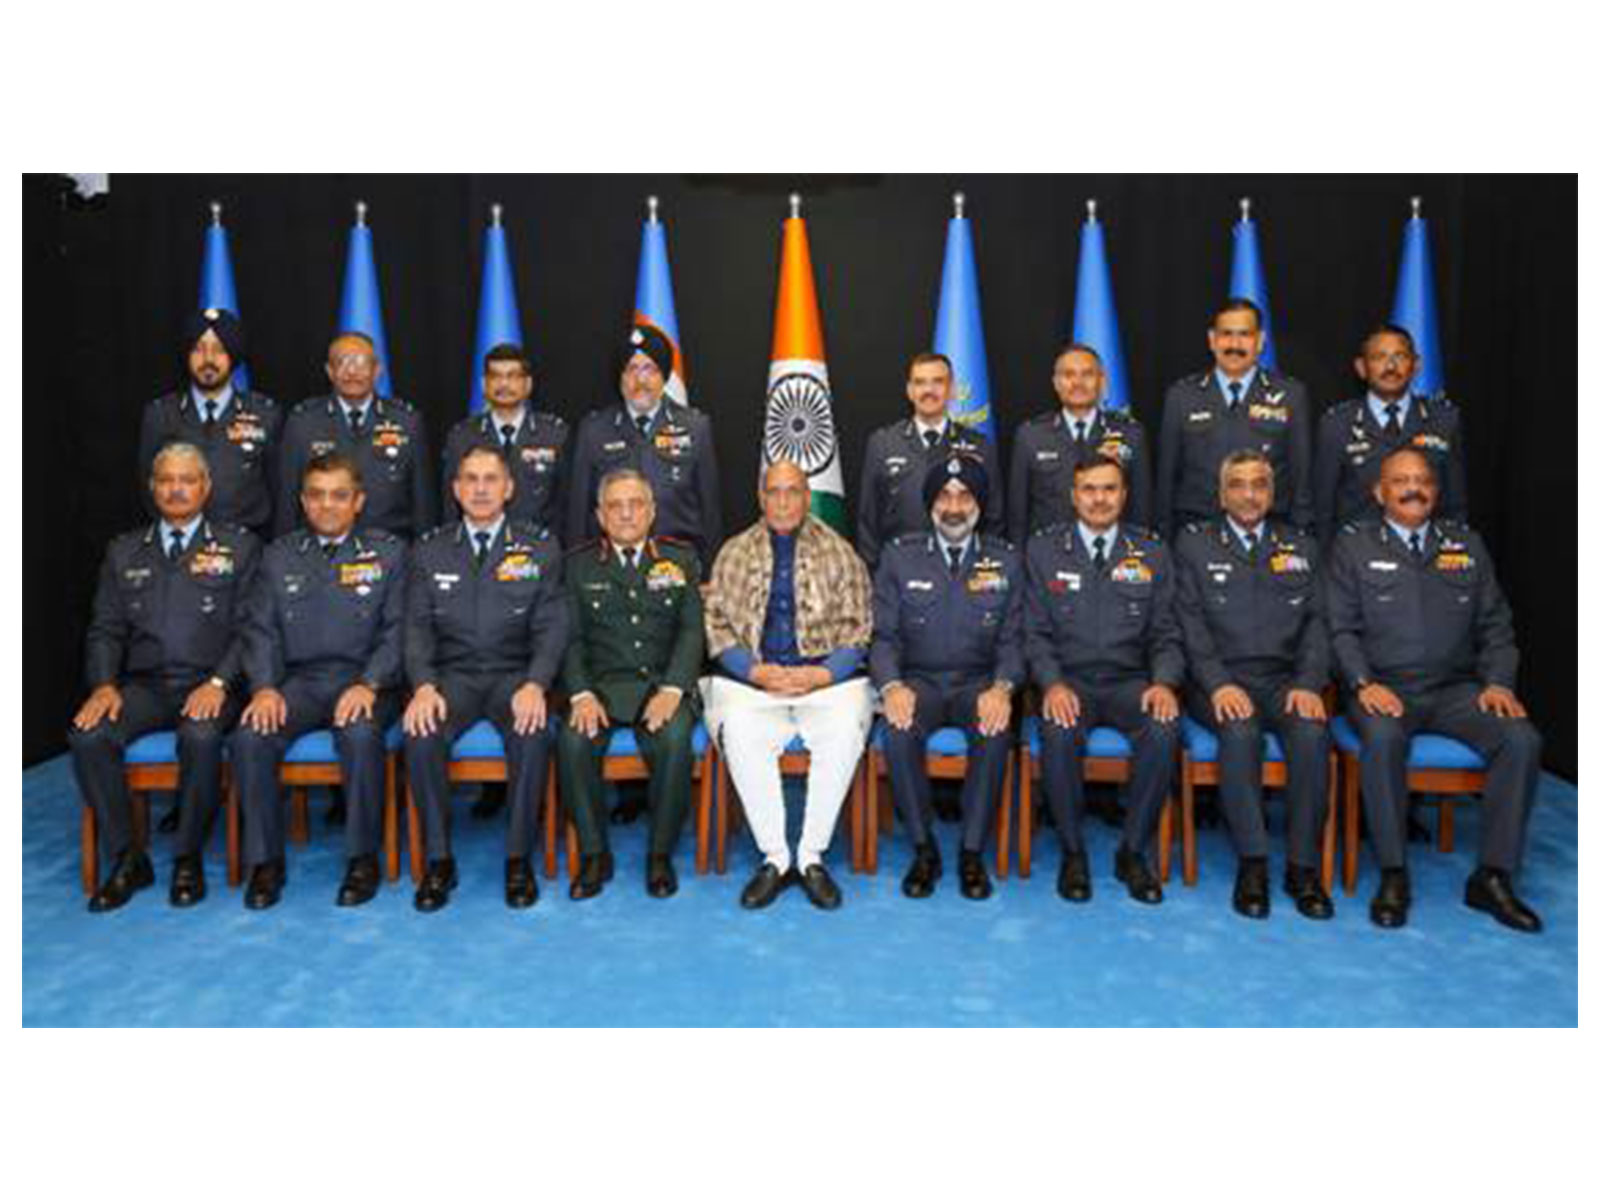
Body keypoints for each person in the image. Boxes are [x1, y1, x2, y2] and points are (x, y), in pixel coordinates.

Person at [1325, 447, 1543, 932]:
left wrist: (1498, 684)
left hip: (1457, 692)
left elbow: (1496, 627)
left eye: (1422, 479)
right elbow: (1340, 630)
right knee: (1382, 740)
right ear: (1380, 492)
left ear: (1436, 491)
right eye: (1400, 480)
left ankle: (1493, 876)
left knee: (1521, 740)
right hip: (1385, 689)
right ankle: (1393, 873)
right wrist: (1362, 682)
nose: (1413, 488)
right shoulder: (1353, 546)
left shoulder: (1466, 545)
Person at [68, 443, 259, 912]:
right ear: (152, 488)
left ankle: (187, 856)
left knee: (199, 737)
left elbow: (251, 629)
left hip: (214, 686)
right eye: (167, 480)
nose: (177, 489)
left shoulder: (239, 547)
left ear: (206, 487)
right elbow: (106, 629)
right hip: (146, 688)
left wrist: (218, 683)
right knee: (87, 735)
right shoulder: (124, 550)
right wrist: (104, 685)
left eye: (187, 480)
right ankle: (127, 857)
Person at [229, 453, 407, 910]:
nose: (327, 505)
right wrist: (265, 687)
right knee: (251, 736)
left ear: (358, 501)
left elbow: (399, 630)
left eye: (339, 495)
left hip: (367, 683)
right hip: (298, 684)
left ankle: (362, 857)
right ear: (303, 501)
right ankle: (266, 861)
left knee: (361, 734)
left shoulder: (388, 554)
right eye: (317, 495)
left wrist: (369, 682)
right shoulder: (278, 555)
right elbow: (259, 629)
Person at [402, 445, 567, 912]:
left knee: (533, 732)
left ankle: (518, 859)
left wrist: (537, 682)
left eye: (490, 479)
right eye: (470, 479)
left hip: (514, 676)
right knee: (420, 732)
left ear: (509, 488)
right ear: (455, 490)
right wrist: (423, 686)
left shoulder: (539, 547)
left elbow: (552, 626)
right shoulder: (429, 550)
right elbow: (416, 628)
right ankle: (438, 860)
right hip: (451, 678)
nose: (479, 488)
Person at [703, 461, 874, 910]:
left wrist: (822, 674)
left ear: (806, 496)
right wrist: (754, 672)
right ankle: (776, 858)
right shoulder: (734, 552)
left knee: (844, 726)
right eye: (774, 492)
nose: (783, 501)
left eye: (793, 492)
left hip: (822, 681)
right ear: (761, 497)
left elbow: (859, 629)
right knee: (739, 729)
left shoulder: (839, 551)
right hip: (756, 681)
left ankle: (811, 856)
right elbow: (716, 625)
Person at [1173, 450, 1334, 920]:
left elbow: (1318, 626)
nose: (1249, 494)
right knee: (1240, 733)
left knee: (1311, 734)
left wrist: (1308, 683)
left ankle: (1303, 868)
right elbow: (1189, 624)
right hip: (1217, 683)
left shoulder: (1301, 546)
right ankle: (1254, 862)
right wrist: (1219, 684)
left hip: (1285, 682)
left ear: (1272, 492)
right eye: (1238, 485)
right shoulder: (1194, 544)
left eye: (1259, 484)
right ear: (1221, 495)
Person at [1024, 457, 1182, 904]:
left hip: (1130, 683)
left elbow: (1167, 634)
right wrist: (1051, 684)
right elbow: (1033, 633)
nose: (1099, 498)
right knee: (1057, 731)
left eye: (1109, 489)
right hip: (1068, 681)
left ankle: (1132, 852)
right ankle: (1073, 851)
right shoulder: (1043, 551)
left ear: (1124, 495)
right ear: (1074, 496)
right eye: (1089, 489)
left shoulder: (1151, 552)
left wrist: (1164, 682)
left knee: (1163, 728)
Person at [871, 451, 1023, 901]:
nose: (954, 506)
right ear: (930, 503)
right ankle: (925, 849)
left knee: (995, 731)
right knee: (897, 732)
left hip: (978, 683)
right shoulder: (899, 558)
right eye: (944, 495)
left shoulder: (1007, 561)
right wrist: (892, 686)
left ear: (978, 504)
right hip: (919, 683)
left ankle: (972, 852)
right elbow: (882, 638)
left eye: (964, 496)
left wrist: (1003, 687)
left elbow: (1015, 641)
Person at [558, 469, 705, 901]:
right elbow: (570, 638)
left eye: (636, 504)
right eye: (615, 506)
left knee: (676, 737)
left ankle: (659, 855)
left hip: (661, 685)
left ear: (652, 511)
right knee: (572, 739)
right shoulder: (577, 566)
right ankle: (593, 853)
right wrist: (581, 692)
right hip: (601, 687)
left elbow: (691, 632)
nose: (626, 513)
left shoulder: (680, 561)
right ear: (600, 515)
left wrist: (675, 688)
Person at [565, 324, 721, 566]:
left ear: (664, 376)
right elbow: (578, 513)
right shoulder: (594, 429)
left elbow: (710, 511)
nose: (641, 380)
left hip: (678, 563)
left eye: (650, 369)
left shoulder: (695, 427)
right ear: (620, 378)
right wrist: (575, 572)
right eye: (631, 369)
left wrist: (712, 572)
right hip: (610, 568)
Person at [1156, 298, 1312, 536]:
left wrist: (1303, 536)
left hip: (1269, 533)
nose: (1234, 344)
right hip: (1198, 533)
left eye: (1245, 335)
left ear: (1260, 341)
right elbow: (1166, 479)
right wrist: (1164, 538)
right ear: (1212, 339)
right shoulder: (1181, 396)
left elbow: (1301, 478)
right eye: (1226, 334)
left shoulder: (1291, 395)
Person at [1314, 323, 1468, 544]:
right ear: (1361, 367)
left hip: (1425, 557)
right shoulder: (1336, 423)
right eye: (1379, 357)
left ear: (1416, 365)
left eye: (1400, 356)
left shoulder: (1445, 420)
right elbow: (1323, 507)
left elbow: (1455, 505)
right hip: (1357, 557)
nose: (1390, 366)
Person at [138, 308, 282, 536]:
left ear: (233, 357)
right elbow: (148, 488)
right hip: (181, 547)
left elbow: (278, 488)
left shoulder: (265, 414)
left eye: (219, 350)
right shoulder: (160, 414)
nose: (208, 360)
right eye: (198, 349)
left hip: (248, 550)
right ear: (186, 356)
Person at [278, 331, 435, 540]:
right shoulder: (303, 422)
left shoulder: (407, 421)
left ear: (377, 369)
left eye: (361, 362)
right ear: (329, 371)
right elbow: (287, 503)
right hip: (320, 554)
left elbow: (423, 504)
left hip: (390, 552)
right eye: (342, 362)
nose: (352, 371)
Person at [856, 352, 1004, 570]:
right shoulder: (882, 443)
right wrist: (874, 575)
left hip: (960, 573)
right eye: (920, 382)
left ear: (952, 390)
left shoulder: (980, 446)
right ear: (909, 391)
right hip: (898, 573)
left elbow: (994, 519)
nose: (928, 391)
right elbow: (868, 521)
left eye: (938, 382)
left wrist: (980, 571)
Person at [1008, 342, 1152, 540]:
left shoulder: (1131, 434)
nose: (1078, 383)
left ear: (1102, 381)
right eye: (1068, 375)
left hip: (1113, 557)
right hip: (1047, 558)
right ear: (1056, 383)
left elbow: (1141, 511)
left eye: (1087, 374)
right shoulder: (1030, 435)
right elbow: (1018, 516)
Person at [440, 343, 569, 531]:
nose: (504, 384)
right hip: (478, 553)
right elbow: (450, 509)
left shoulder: (555, 434)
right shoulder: (461, 437)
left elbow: (566, 504)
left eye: (513, 376)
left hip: (540, 551)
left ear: (528, 384)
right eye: (496, 376)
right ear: (484, 384)